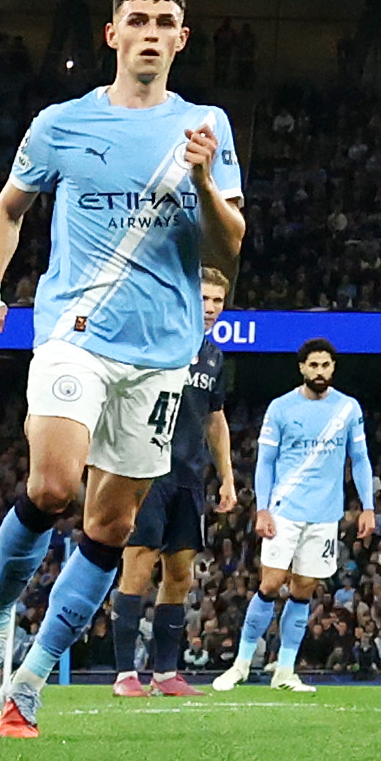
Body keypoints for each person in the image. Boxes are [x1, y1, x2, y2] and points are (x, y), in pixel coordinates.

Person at [0, 0, 247, 736]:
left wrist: (205, 178)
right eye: (138, 19)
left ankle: (32, 676)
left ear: (182, 40)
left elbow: (229, 247)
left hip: (161, 358)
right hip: (74, 334)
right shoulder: (59, 124)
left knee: (111, 528)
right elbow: (9, 208)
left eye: (167, 22)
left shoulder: (206, 126)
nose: (151, 31)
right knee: (52, 486)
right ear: (112, 34)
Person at [110, 266, 238, 694]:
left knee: (180, 576)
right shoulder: (154, 338)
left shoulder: (214, 356)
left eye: (218, 301)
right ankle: (125, 674)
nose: (211, 308)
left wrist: (227, 479)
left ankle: (165, 673)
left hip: (189, 476)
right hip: (146, 470)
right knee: (138, 565)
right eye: (204, 299)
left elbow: (215, 419)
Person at [225, 339, 374, 692]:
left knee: (304, 590)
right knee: (271, 583)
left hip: (325, 515)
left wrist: (367, 506)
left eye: (325, 365)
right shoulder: (280, 408)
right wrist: (262, 508)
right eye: (313, 365)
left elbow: (361, 459)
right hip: (284, 509)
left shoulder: (348, 409)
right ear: (302, 368)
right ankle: (242, 664)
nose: (319, 371)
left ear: (333, 368)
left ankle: (285, 671)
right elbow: (266, 462)